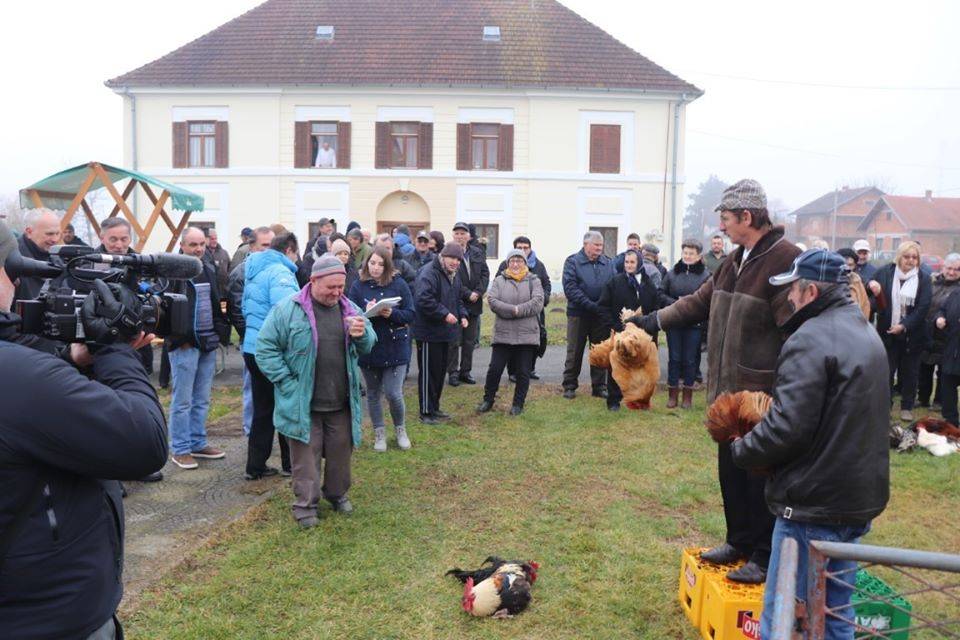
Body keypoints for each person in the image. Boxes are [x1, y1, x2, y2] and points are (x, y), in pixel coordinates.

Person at [0, 220, 168, 639]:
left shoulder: (22, 375)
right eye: (11, 271)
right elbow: (144, 442)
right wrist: (114, 348)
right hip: (48, 619)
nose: (17, 284)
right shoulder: (17, 376)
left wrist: (69, 362)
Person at [632, 179, 801, 583]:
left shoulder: (786, 260)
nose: (721, 226)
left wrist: (784, 394)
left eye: (725, 218)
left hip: (760, 399)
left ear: (747, 216)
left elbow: (796, 335)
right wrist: (653, 321)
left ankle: (764, 555)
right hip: (726, 398)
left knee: (760, 479)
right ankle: (738, 541)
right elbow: (698, 302)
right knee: (732, 474)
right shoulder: (733, 261)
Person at [732, 249, 889, 640]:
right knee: (834, 614)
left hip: (813, 506)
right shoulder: (866, 331)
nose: (789, 298)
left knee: (784, 616)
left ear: (812, 292)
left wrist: (741, 449)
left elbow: (787, 427)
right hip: (853, 502)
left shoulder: (810, 339)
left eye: (793, 290)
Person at [255, 255, 376, 528]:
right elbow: (265, 348)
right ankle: (305, 507)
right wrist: (286, 382)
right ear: (313, 281)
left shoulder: (350, 309)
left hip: (340, 402)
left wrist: (363, 335)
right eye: (331, 287)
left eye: (341, 287)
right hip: (303, 403)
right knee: (305, 460)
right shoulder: (287, 310)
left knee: (340, 454)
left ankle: (336, 494)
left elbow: (369, 343)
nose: (336, 293)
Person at [164, 227, 228, 470]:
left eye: (201, 244)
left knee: (201, 398)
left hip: (206, 343)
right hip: (184, 345)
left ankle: (198, 442)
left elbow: (216, 303)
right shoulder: (172, 273)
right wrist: (178, 338)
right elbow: (164, 309)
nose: (198, 249)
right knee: (182, 401)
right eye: (193, 244)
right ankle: (180, 449)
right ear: (182, 246)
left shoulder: (208, 269)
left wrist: (219, 334)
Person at [242, 232, 300, 479]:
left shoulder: (255, 270)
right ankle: (291, 463)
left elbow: (245, 308)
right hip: (273, 350)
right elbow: (288, 314)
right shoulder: (281, 273)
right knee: (286, 406)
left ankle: (255, 466)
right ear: (289, 250)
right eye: (296, 253)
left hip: (252, 347)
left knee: (262, 409)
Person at [348, 247, 415, 451]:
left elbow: (411, 314)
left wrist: (391, 314)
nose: (375, 268)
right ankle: (379, 433)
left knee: (394, 393)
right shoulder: (358, 286)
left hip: (395, 346)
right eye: (372, 263)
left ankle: (400, 429)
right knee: (373, 392)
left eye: (380, 264)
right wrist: (366, 312)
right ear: (366, 263)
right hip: (369, 347)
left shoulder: (399, 284)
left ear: (387, 266)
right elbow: (350, 314)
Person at [867, 241, 932, 421]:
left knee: (910, 372)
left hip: (913, 334)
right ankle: (885, 406)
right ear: (899, 257)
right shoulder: (885, 272)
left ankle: (907, 407)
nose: (910, 260)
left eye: (914, 257)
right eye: (907, 256)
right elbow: (868, 288)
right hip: (888, 331)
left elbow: (923, 307)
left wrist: (904, 325)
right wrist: (871, 284)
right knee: (886, 372)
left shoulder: (924, 278)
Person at [478, 249, 545, 416]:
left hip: (527, 335)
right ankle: (488, 400)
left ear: (525, 263)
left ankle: (518, 404)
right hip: (503, 334)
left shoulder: (534, 280)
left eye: (519, 261)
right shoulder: (499, 280)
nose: (515, 264)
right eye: (512, 261)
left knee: (523, 372)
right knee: (495, 369)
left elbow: (537, 303)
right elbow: (492, 301)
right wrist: (512, 310)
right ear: (508, 263)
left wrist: (517, 310)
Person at [413, 243, 469, 424]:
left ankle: (435, 407)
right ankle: (425, 411)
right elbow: (423, 299)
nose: (455, 262)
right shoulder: (429, 272)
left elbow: (458, 299)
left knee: (439, 373)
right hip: (428, 333)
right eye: (452, 258)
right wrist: (444, 314)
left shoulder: (454, 275)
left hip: (445, 333)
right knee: (428, 374)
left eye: (458, 259)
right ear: (443, 256)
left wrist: (463, 315)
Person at [597, 248, 658, 411]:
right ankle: (614, 400)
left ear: (639, 263)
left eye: (632, 262)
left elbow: (655, 305)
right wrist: (615, 325)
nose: (629, 265)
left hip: (642, 333)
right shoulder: (615, 282)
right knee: (617, 365)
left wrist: (646, 323)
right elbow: (603, 306)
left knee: (641, 367)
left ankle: (640, 400)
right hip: (620, 332)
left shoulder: (647, 283)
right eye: (626, 262)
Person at [228, 226, 274, 437]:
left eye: (272, 245)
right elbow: (236, 311)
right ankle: (251, 431)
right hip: (253, 342)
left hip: (274, 341)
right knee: (252, 388)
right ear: (252, 246)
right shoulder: (241, 272)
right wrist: (250, 337)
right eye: (265, 245)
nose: (269, 250)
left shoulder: (276, 269)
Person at [561, 230, 615, 399]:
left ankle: (599, 386)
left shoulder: (608, 263)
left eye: (601, 245)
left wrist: (606, 306)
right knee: (575, 351)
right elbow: (570, 288)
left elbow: (613, 285)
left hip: (600, 316)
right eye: (596, 245)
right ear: (586, 245)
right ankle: (570, 385)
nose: (599, 248)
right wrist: (591, 305)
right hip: (578, 314)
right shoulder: (572, 262)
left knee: (599, 350)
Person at [660, 240, 711, 409]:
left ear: (699, 256)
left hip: (694, 323)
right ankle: (672, 395)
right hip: (674, 321)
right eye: (685, 253)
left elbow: (708, 299)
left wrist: (691, 305)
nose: (687, 256)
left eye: (691, 253)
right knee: (674, 358)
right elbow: (661, 294)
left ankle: (687, 396)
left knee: (690, 360)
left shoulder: (706, 276)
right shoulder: (672, 274)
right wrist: (675, 303)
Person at [497, 236, 552, 381]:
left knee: (534, 340)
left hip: (534, 312)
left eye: (525, 247)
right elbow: (498, 284)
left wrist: (544, 298)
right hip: (513, 311)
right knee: (513, 341)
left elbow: (546, 283)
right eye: (519, 247)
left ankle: (530, 369)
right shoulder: (505, 265)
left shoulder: (539, 265)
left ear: (530, 248)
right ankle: (513, 371)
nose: (523, 250)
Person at [445, 222, 489, 387]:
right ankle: (453, 373)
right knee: (454, 341)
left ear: (469, 236)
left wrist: (478, 292)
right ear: (453, 235)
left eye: (463, 233)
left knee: (470, 341)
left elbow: (485, 274)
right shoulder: (449, 252)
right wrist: (467, 293)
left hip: (475, 303)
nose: (460, 236)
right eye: (457, 233)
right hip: (456, 303)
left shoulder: (477, 252)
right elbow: (451, 276)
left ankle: (465, 372)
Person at [919, 254, 960, 407]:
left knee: (944, 372)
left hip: (948, 337)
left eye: (957, 269)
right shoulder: (932, 283)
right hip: (927, 334)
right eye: (949, 268)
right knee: (924, 368)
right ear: (943, 268)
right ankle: (922, 399)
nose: (952, 272)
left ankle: (939, 401)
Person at [14, 208, 61, 303]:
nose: (55, 239)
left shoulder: (58, 260)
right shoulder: (8, 257)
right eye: (49, 234)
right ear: (29, 232)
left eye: (57, 233)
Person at [936, 284, 960, 426]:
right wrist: (939, 318)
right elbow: (942, 309)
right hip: (952, 349)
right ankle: (951, 421)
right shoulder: (955, 293)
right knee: (947, 384)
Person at [205, 228, 231, 302]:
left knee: (223, 308)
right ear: (206, 239)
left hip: (223, 293)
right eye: (212, 239)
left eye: (216, 238)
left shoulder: (224, 253)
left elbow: (230, 269)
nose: (215, 241)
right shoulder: (203, 254)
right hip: (209, 294)